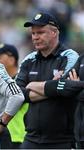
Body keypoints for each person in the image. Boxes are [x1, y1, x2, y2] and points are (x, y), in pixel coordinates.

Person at [16, 12, 79, 149]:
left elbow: (66, 88)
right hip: (31, 139)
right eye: (33, 33)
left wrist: (31, 85)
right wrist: (52, 86)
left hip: (62, 141)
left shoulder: (70, 56)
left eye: (40, 32)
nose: (35, 37)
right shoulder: (29, 59)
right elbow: (17, 93)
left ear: (54, 33)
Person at [25, 54, 84, 149]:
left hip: (63, 139)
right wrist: (73, 87)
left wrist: (74, 88)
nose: (35, 38)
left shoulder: (69, 55)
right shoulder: (82, 58)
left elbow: (68, 88)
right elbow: (63, 84)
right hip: (79, 137)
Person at [0, 43, 28, 148]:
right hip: (5, 137)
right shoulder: (0, 82)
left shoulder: (23, 80)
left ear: (11, 60)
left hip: (20, 137)